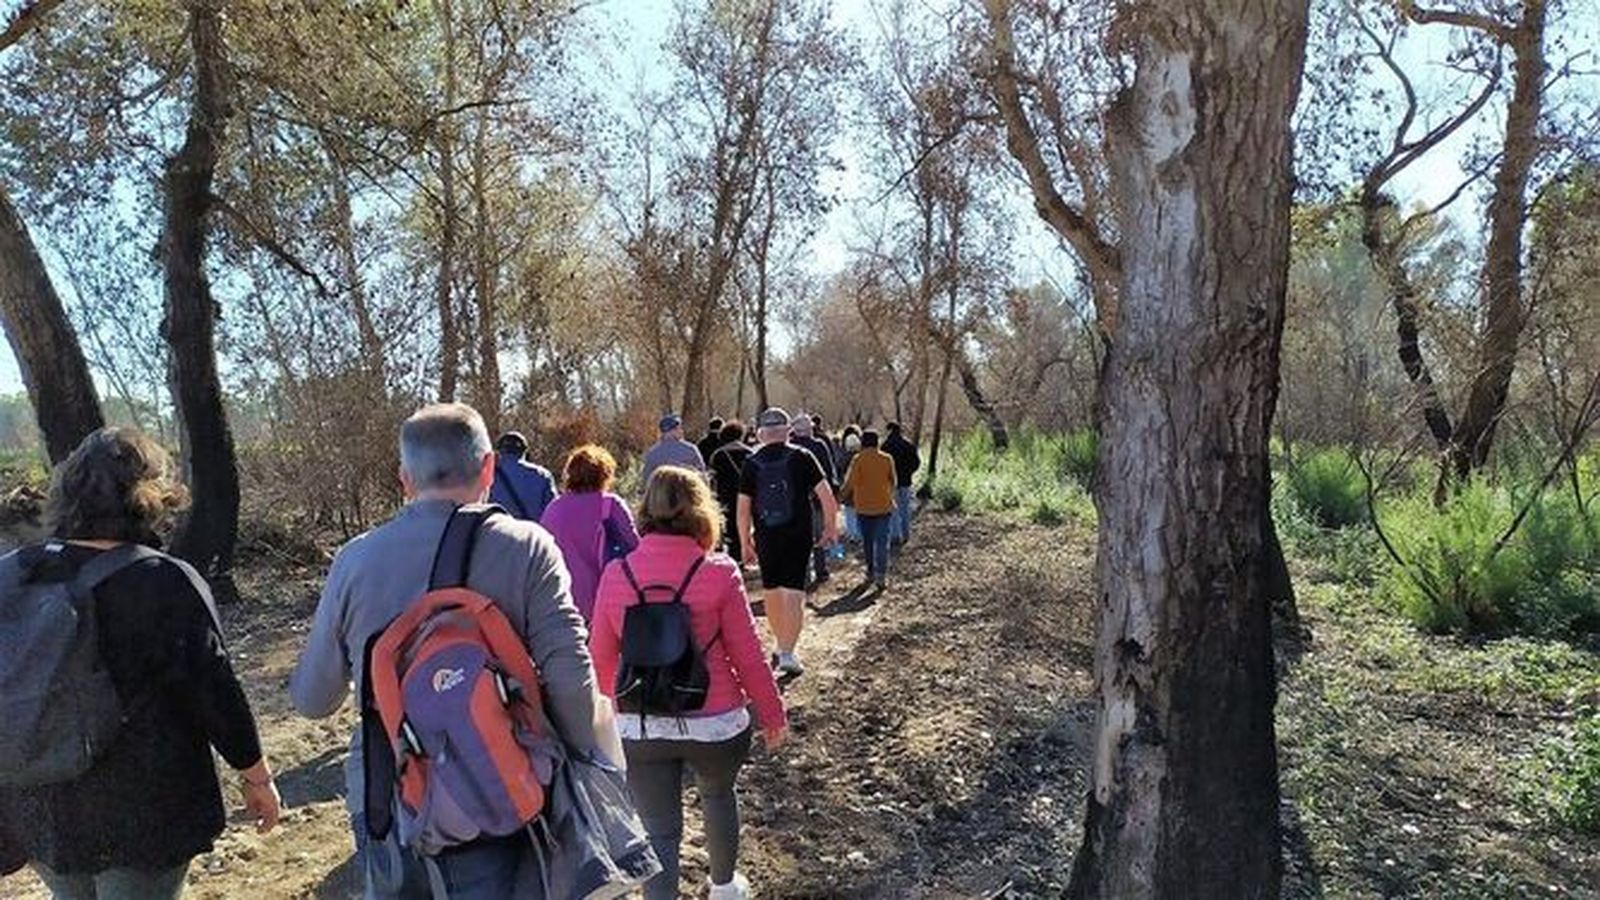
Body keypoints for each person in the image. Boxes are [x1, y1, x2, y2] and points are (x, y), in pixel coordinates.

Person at [291, 403, 601, 898]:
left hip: (388, 790)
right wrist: (581, 767)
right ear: (488, 468)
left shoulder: (355, 560)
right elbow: (571, 677)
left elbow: (313, 699)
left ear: (404, 479)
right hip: (503, 781)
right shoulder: (528, 547)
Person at [0, 428, 280, 900]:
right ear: (151, 495)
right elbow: (215, 691)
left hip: (38, 800)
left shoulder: (13, 573)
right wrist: (257, 777)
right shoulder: (163, 580)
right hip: (144, 807)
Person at [589, 467, 787, 900]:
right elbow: (748, 654)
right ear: (702, 510)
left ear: (645, 510)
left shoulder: (616, 575)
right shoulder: (719, 571)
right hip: (715, 722)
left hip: (642, 723)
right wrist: (771, 713)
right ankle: (723, 888)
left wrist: (605, 728)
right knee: (718, 795)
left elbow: (600, 660)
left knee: (659, 830)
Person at [737, 408, 839, 678]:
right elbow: (826, 496)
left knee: (771, 589)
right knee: (794, 590)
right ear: (788, 431)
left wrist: (744, 541)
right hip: (798, 534)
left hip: (766, 535)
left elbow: (743, 507)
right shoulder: (803, 457)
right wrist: (830, 528)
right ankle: (788, 651)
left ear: (760, 433)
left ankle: (779, 642)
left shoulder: (752, 462)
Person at [539, 444, 641, 622]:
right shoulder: (610, 505)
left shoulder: (553, 509)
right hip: (606, 599)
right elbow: (635, 548)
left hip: (562, 601)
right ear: (604, 474)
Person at [839, 430, 898, 589]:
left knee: (868, 542)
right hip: (884, 507)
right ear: (877, 442)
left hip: (864, 508)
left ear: (862, 443)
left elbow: (849, 483)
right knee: (882, 542)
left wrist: (838, 498)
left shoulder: (858, 459)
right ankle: (881, 576)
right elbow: (894, 481)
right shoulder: (887, 459)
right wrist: (889, 496)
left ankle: (870, 571)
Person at [788, 414, 838, 587]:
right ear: (809, 429)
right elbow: (829, 472)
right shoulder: (819, 446)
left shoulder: (789, 447)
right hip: (817, 498)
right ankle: (821, 570)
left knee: (801, 537)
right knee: (819, 535)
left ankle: (804, 575)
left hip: (795, 500)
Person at [706, 420, 752, 557]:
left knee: (730, 527)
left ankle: (735, 555)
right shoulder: (749, 453)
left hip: (726, 495)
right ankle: (747, 552)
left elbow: (713, 478)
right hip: (747, 494)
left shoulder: (719, 455)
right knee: (746, 525)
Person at [489, 430, 558, 521]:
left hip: (495, 532)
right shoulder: (543, 475)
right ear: (524, 452)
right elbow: (553, 512)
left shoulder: (488, 474)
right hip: (532, 532)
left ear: (499, 451)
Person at [639, 414, 706, 490]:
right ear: (673, 430)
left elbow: (646, 480)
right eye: (679, 428)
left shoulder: (652, 453)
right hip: (686, 494)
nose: (681, 431)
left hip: (661, 496)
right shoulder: (690, 449)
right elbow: (702, 475)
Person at [882, 422, 922, 545]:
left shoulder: (885, 446)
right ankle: (905, 535)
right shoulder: (908, 445)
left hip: (890, 484)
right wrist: (909, 472)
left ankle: (895, 535)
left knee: (892, 510)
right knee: (904, 509)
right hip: (905, 481)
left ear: (889, 430)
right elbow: (916, 462)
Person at [837, 427, 864, 545]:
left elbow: (839, 470)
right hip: (860, 488)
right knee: (859, 512)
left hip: (848, 487)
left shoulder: (843, 457)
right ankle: (859, 534)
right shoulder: (861, 457)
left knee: (849, 513)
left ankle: (851, 534)